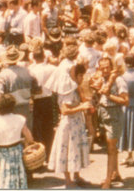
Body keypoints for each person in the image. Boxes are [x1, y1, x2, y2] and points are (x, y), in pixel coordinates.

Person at [47, 61, 92, 189]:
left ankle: (76, 176)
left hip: (77, 123)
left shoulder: (75, 88)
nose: (82, 79)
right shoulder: (67, 90)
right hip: (68, 124)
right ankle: (68, 181)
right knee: (67, 151)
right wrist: (81, 107)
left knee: (76, 149)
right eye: (80, 76)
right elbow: (65, 110)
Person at [92, 54, 129, 189]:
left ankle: (108, 181)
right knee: (111, 147)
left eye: (107, 68)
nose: (105, 70)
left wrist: (109, 95)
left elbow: (125, 101)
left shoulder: (119, 81)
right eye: (102, 68)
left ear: (112, 68)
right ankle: (116, 173)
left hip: (114, 114)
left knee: (111, 148)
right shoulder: (102, 79)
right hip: (104, 113)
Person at [0, 93, 34, 190]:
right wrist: (25, 143)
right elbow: (30, 138)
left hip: (1, 155)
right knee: (16, 176)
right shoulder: (20, 119)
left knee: (2, 177)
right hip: (16, 152)